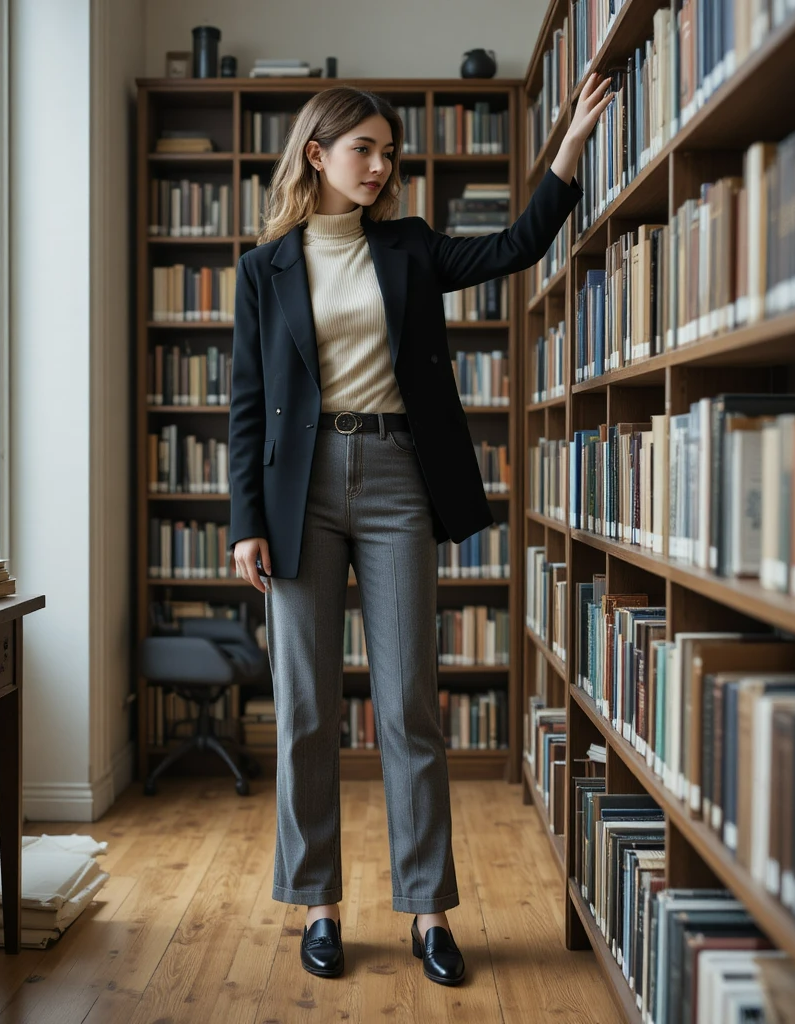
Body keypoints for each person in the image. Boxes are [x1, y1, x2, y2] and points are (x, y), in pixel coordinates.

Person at [228, 76, 612, 984]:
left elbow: (514, 248)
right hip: (299, 489)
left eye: (389, 152)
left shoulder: (406, 248)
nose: (381, 166)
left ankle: (428, 911)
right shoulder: (263, 268)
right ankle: (320, 904)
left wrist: (566, 155)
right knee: (308, 710)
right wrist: (245, 520)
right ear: (317, 155)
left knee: (408, 704)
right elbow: (247, 406)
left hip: (399, 475)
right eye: (364, 149)